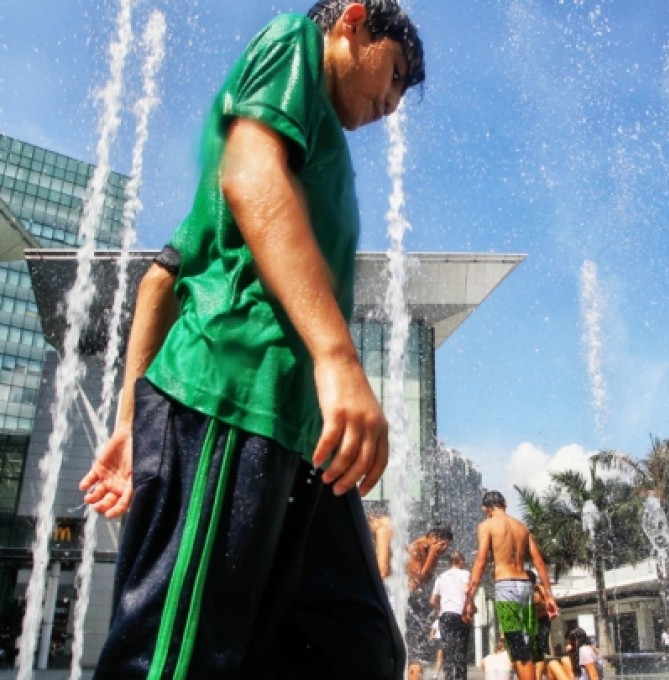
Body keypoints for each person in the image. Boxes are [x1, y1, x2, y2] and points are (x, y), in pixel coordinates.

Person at [77, 2, 425, 678]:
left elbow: (160, 280)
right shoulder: (292, 42)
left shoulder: (317, 157)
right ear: (353, 21)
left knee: (357, 645)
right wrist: (336, 356)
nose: (394, 99)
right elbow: (251, 176)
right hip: (233, 398)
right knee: (181, 657)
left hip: (304, 440)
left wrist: (128, 425)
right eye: (396, 72)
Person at [463, 490, 559, 680]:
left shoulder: (487, 525)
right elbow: (538, 561)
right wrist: (549, 596)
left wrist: (469, 597)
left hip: (506, 586)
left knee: (516, 646)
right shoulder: (522, 527)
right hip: (525, 586)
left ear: (485, 509)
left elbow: (480, 562)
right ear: (505, 503)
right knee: (525, 646)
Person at [407, 525, 453, 679]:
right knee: (415, 651)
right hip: (410, 602)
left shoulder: (427, 549)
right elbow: (418, 580)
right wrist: (433, 554)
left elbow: (425, 579)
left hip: (417, 601)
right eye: (444, 544)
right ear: (434, 538)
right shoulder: (417, 547)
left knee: (419, 651)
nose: (445, 549)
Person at [431, 550, 471, 680]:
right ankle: (460, 677)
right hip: (460, 615)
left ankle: (448, 676)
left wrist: (440, 609)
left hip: (445, 616)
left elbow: (432, 600)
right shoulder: (465, 573)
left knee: (447, 649)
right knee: (461, 649)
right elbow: (466, 590)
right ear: (460, 561)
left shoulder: (441, 576)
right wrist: (471, 606)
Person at [528, 570, 555, 679]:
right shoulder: (522, 591)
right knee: (531, 651)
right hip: (530, 623)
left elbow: (551, 607)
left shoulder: (541, 590)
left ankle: (538, 677)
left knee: (540, 650)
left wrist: (541, 603)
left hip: (543, 620)